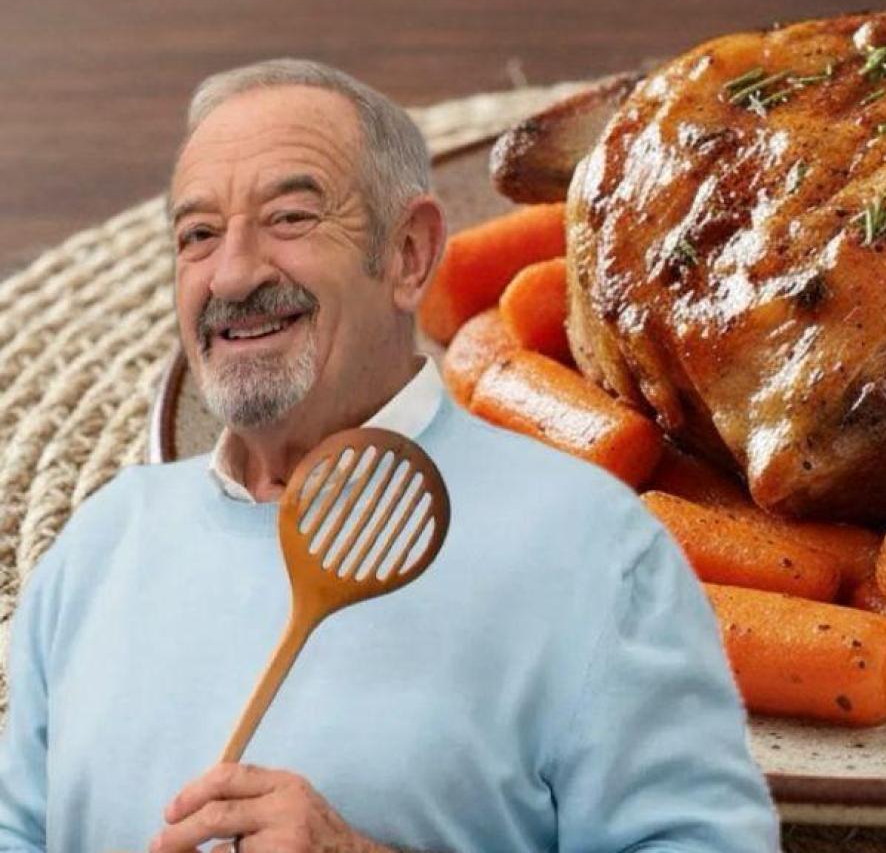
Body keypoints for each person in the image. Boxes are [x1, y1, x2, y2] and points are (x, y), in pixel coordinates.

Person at [0, 60, 780, 852]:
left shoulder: (594, 548)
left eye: (291, 218)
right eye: (198, 235)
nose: (231, 273)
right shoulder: (100, 541)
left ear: (408, 255)